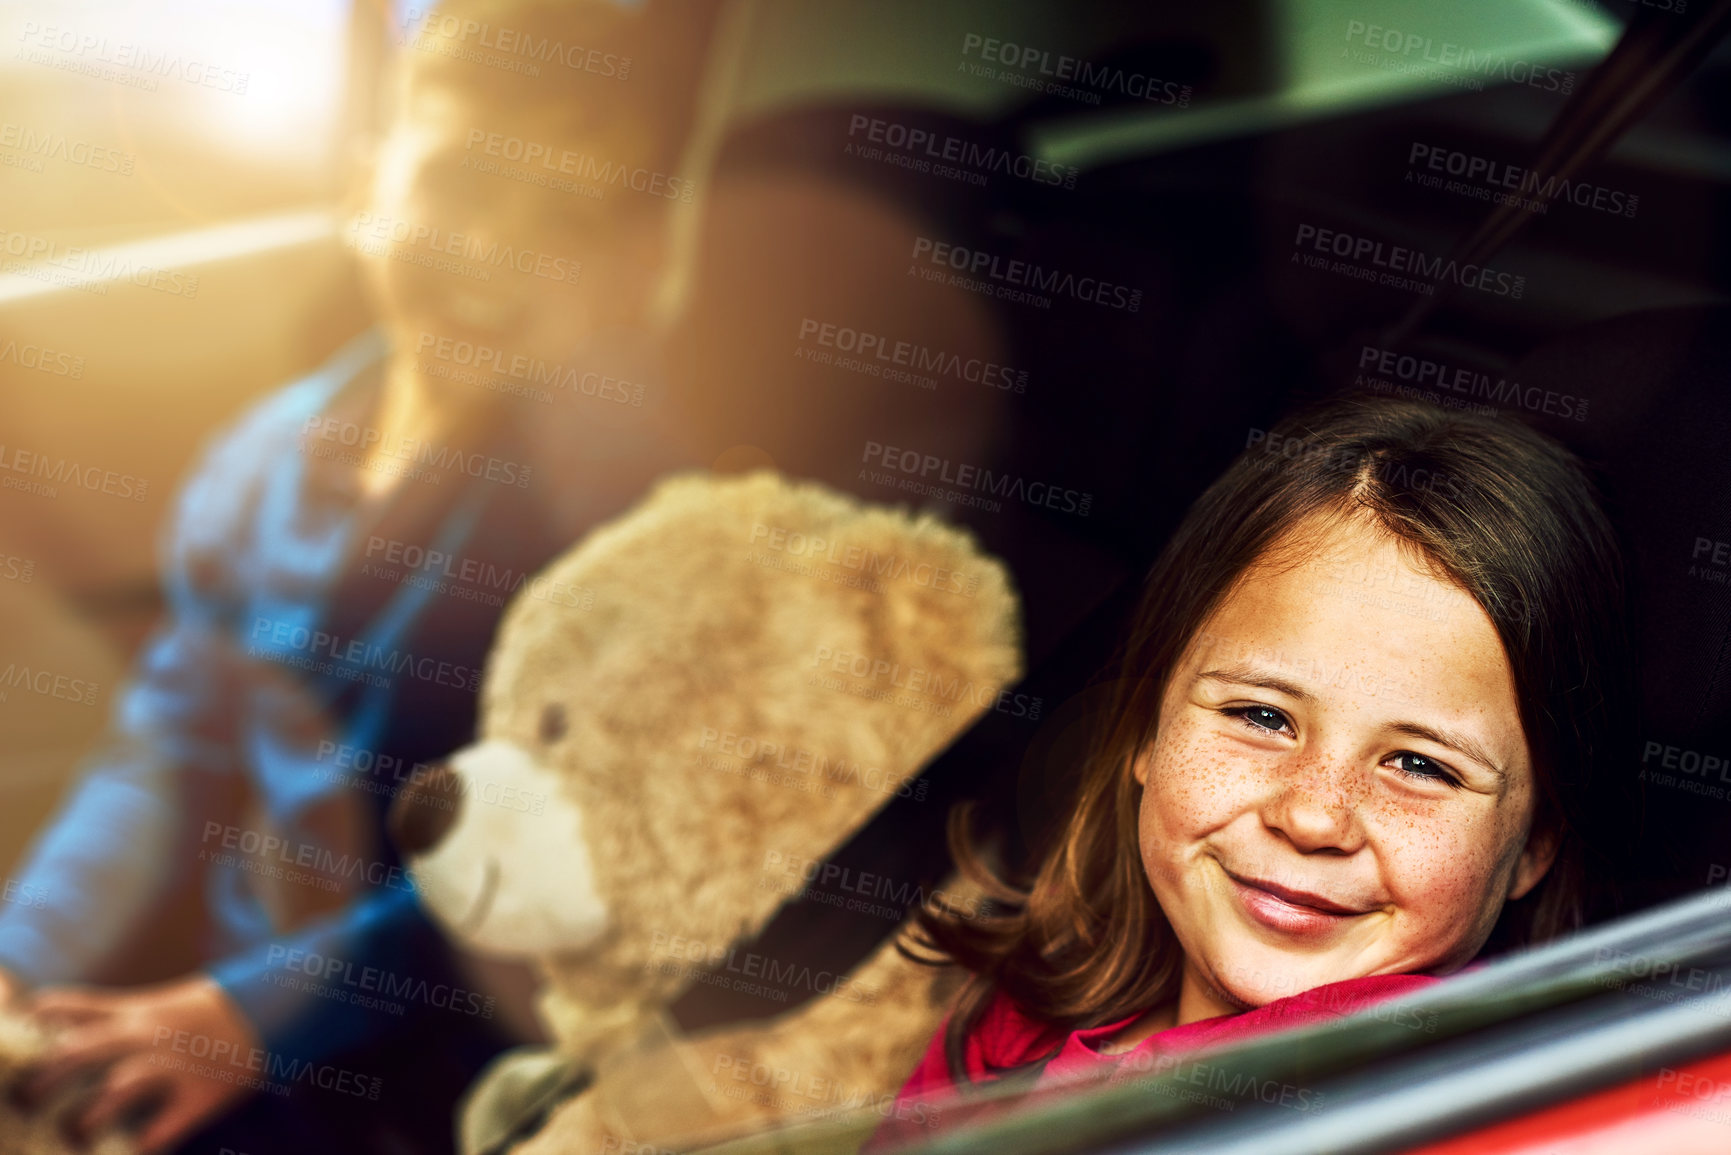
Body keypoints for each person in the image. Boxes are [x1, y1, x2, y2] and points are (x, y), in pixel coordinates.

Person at [0, 2, 723, 1152]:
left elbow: (577, 843)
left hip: (466, 1044)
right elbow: (168, 746)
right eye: (463, 185)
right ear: (368, 188)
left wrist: (257, 1015)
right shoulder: (264, 454)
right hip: (239, 1013)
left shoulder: (624, 519)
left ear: (633, 272)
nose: (495, 249)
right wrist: (25, 956)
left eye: (565, 219)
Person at [868, 394, 1634, 1146]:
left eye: (1418, 764)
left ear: (1534, 842)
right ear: (1147, 730)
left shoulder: (1433, 1086)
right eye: (1260, 716)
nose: (1311, 816)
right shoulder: (1019, 1009)